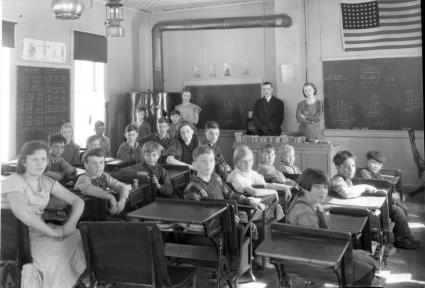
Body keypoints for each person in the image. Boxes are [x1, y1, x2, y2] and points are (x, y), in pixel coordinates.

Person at [1, 141, 86, 287]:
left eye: (43, 159)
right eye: (34, 159)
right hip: (14, 238)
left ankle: (72, 282)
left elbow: (78, 201)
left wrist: (69, 226)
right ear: (24, 162)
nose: (40, 163)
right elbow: (21, 211)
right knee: (53, 254)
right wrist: (53, 233)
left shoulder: (47, 182)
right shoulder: (14, 181)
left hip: (38, 229)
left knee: (80, 238)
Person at [287, 168, 377, 287]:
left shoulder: (312, 203)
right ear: (304, 187)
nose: (323, 192)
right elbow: (316, 244)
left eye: (325, 187)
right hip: (311, 260)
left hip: (318, 252)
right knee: (365, 269)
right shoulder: (303, 212)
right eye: (317, 187)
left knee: (369, 261)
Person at [330, 150, 419, 249]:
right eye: (346, 166)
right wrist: (364, 186)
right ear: (337, 167)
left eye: (353, 166)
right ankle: (401, 239)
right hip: (349, 214)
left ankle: (405, 236)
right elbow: (347, 193)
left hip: (358, 208)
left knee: (399, 208)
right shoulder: (337, 180)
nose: (351, 170)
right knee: (396, 211)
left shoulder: (347, 179)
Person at [184, 144, 265, 209]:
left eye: (211, 160)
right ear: (195, 165)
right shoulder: (193, 189)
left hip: (226, 221)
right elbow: (196, 218)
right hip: (212, 227)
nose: (208, 165)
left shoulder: (216, 177)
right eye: (203, 161)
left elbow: (230, 194)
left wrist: (249, 201)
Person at [74, 148, 129, 217]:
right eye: (94, 163)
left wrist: (122, 201)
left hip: (101, 213)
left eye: (101, 162)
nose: (99, 166)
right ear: (86, 165)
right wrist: (110, 197)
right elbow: (90, 189)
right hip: (87, 217)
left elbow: (123, 187)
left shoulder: (104, 176)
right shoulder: (83, 179)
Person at [228, 145, 292, 202]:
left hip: (254, 205)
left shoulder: (250, 172)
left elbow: (266, 185)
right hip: (243, 209)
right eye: (244, 161)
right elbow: (254, 192)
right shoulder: (237, 176)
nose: (248, 164)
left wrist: (285, 188)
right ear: (238, 163)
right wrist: (273, 191)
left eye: (250, 160)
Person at [358, 151, 409, 218]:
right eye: (373, 162)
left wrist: (392, 193)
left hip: (383, 198)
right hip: (374, 201)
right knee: (399, 211)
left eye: (379, 165)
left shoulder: (377, 174)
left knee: (404, 208)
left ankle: (398, 226)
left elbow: (384, 185)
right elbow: (375, 188)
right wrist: (391, 195)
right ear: (367, 161)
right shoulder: (364, 172)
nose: (376, 166)